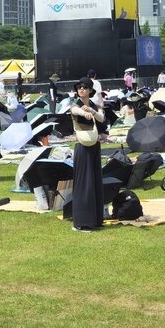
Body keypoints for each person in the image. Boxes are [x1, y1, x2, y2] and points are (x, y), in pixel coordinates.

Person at [69, 77, 106, 231]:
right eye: (79, 87)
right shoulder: (75, 104)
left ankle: (96, 220)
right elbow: (74, 110)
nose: (82, 90)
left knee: (95, 182)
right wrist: (84, 113)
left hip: (94, 146)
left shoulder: (94, 105)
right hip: (82, 147)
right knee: (84, 184)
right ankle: (81, 222)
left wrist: (91, 111)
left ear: (90, 90)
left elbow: (101, 118)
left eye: (85, 87)